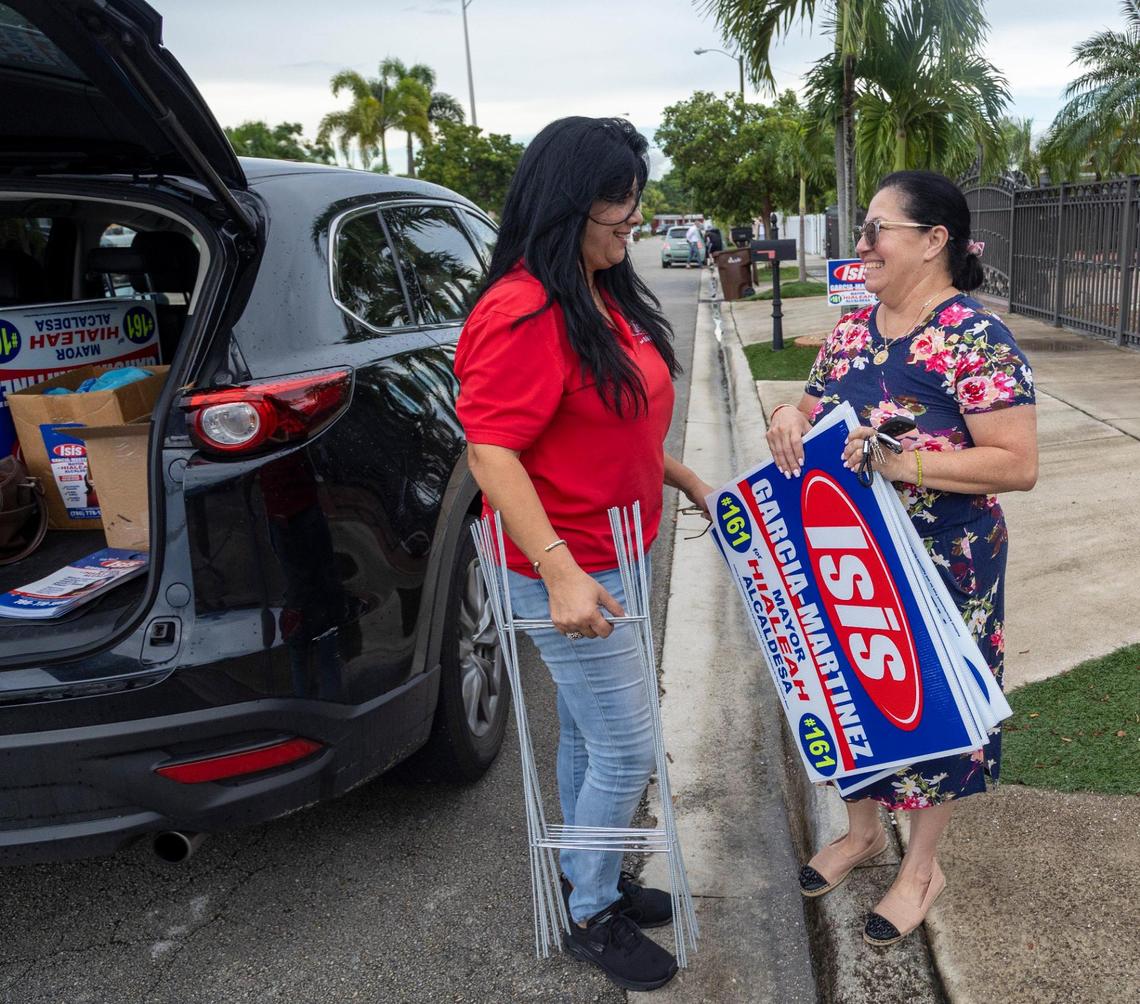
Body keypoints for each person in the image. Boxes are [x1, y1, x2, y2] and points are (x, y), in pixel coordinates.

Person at [454, 116, 713, 991]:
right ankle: (590, 909)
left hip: (619, 551)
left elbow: (617, 420)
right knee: (629, 746)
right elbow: (491, 451)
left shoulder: (594, 290)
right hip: (565, 569)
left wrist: (681, 476)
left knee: (591, 732)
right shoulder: (523, 308)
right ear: (572, 207)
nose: (630, 232)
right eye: (621, 217)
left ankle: (585, 869)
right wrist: (562, 569)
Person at [765, 170, 1037, 947]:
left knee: (930, 704)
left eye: (877, 228)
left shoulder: (974, 339)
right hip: (850, 553)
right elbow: (812, 402)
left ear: (932, 241)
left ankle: (921, 866)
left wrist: (902, 464)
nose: (862, 243)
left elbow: (1015, 464)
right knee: (850, 691)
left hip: (946, 565)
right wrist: (789, 412)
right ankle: (862, 832)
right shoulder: (855, 329)